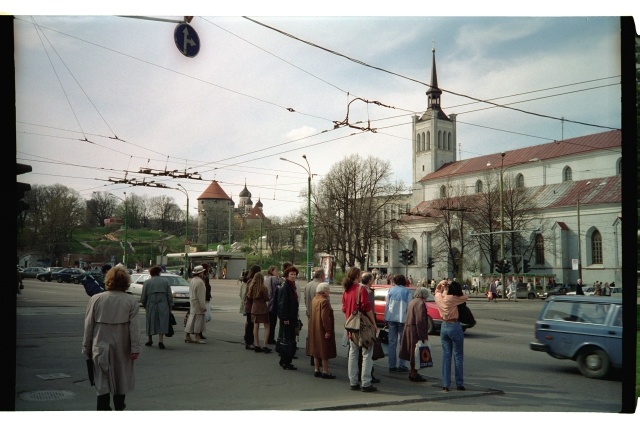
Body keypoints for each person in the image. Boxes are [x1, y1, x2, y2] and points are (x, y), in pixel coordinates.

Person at [82, 266, 140, 410]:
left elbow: (89, 325)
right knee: (121, 378)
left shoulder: (96, 299)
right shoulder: (131, 301)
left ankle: (103, 409)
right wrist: (135, 348)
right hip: (122, 345)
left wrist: (86, 347)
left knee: (101, 381)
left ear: (107, 281)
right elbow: (134, 328)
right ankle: (119, 407)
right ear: (126, 282)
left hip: (99, 343)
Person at [342, 267, 377, 392]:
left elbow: (344, 309)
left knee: (353, 353)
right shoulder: (360, 289)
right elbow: (367, 307)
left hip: (351, 325)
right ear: (357, 276)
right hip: (363, 326)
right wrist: (373, 323)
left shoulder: (346, 290)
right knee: (367, 352)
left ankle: (353, 381)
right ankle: (366, 382)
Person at [434, 279, 469, 392]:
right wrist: (452, 288)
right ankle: (459, 383)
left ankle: (446, 384)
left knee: (446, 356)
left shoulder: (439, 297)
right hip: (454, 325)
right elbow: (465, 297)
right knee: (458, 356)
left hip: (444, 326)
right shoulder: (453, 299)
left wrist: (441, 285)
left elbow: (437, 291)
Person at [399, 287, 430, 383]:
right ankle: (414, 374)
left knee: (412, 353)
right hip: (415, 330)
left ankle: (412, 372)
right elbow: (420, 320)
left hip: (409, 328)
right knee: (416, 352)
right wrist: (423, 336)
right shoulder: (420, 303)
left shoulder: (412, 301)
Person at [307, 282, 337, 379]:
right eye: (328, 290)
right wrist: (328, 331)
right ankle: (325, 371)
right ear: (323, 291)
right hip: (322, 329)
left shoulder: (314, 299)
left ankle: (316, 369)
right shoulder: (324, 301)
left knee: (316, 349)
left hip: (314, 327)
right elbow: (325, 318)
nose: (329, 291)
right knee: (324, 351)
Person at [384, 274, 412, 373]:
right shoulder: (407, 291)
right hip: (402, 318)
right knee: (402, 343)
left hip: (391, 318)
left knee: (392, 342)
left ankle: (391, 365)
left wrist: (385, 317)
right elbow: (409, 307)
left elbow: (387, 305)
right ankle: (402, 365)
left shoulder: (391, 290)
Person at [140, 265, 173, 349]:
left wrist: (144, 304)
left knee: (150, 321)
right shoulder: (165, 281)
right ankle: (160, 340)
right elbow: (169, 295)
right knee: (162, 321)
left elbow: (143, 296)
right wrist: (170, 305)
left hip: (151, 304)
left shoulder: (147, 282)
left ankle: (150, 339)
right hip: (163, 304)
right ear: (159, 272)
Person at [358, 272, 380, 383]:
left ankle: (358, 374)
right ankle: (368, 375)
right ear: (369, 281)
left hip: (356, 322)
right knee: (367, 350)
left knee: (356, 350)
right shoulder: (368, 292)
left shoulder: (356, 289)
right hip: (366, 324)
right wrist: (373, 323)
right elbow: (369, 308)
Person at [277, 265, 300, 370]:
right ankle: (286, 361)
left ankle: (284, 360)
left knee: (288, 339)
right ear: (287, 275)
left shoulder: (291, 286)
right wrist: (285, 318)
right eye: (291, 274)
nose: (293, 276)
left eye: (295, 274)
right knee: (287, 340)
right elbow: (282, 304)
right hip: (288, 318)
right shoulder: (286, 286)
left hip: (292, 317)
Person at [304, 267, 325, 365]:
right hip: (318, 315)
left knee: (311, 336)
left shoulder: (308, 285)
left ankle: (312, 355)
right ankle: (318, 358)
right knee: (319, 337)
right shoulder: (321, 286)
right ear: (321, 276)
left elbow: (305, 299)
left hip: (310, 313)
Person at [248, 272, 272, 353]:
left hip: (254, 308)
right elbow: (267, 298)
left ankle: (257, 345)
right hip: (263, 308)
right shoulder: (263, 288)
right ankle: (265, 345)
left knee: (255, 326)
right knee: (267, 327)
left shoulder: (252, 287)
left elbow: (249, 297)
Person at [184, 265, 207, 344]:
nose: (203, 273)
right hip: (198, 302)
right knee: (198, 320)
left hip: (193, 301)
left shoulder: (193, 280)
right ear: (200, 273)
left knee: (191, 319)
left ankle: (187, 335)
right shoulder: (200, 282)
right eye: (202, 272)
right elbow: (201, 295)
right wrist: (203, 306)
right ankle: (197, 336)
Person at [241, 264, 261, 349]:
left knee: (250, 324)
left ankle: (249, 341)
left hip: (250, 306)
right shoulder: (252, 281)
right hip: (251, 306)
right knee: (251, 325)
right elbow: (251, 295)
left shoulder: (249, 280)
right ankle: (249, 342)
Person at [265, 265, 281, 345]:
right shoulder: (273, 279)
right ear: (272, 271)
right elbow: (278, 288)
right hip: (273, 303)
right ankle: (271, 339)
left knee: (269, 323)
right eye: (276, 271)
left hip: (268, 303)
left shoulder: (267, 279)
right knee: (273, 322)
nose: (277, 272)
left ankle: (268, 338)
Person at [200, 263, 212, 340]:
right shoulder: (205, 277)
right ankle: (199, 333)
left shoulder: (202, 277)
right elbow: (206, 288)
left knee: (201, 317)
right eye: (208, 268)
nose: (209, 269)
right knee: (201, 317)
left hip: (204, 298)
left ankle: (199, 333)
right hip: (204, 298)